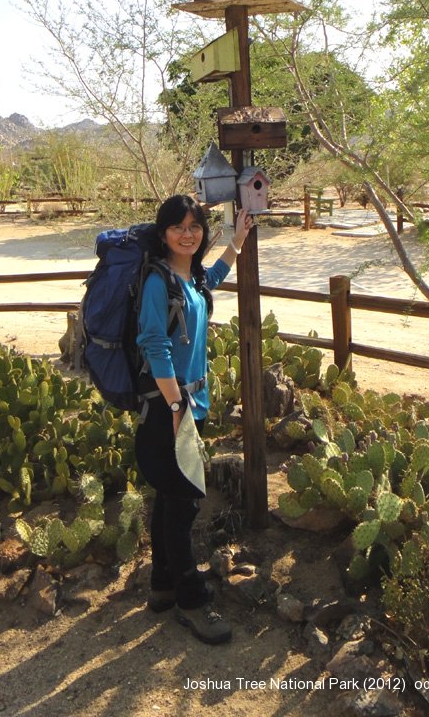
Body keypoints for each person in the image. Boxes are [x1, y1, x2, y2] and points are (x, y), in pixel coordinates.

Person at [135, 194, 253, 645]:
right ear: (163, 233)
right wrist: (174, 407)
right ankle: (191, 599)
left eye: (195, 226)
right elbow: (155, 345)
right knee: (183, 503)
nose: (187, 234)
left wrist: (237, 241)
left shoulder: (193, 278)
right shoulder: (158, 282)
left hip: (187, 405)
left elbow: (213, 278)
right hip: (170, 408)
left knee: (170, 497)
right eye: (178, 227)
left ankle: (163, 586)